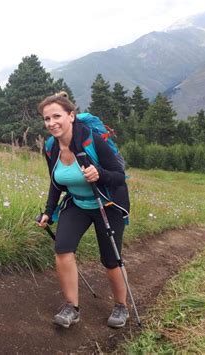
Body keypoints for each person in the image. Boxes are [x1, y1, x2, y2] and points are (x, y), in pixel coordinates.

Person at [37, 91, 130, 329]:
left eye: (56, 116)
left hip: (107, 204)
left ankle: (121, 306)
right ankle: (72, 308)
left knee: (111, 260)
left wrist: (100, 175)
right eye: (47, 119)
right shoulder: (51, 147)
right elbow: (56, 181)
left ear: (71, 116)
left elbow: (120, 177)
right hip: (77, 203)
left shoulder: (92, 140)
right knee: (62, 250)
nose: (51, 123)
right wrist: (49, 210)